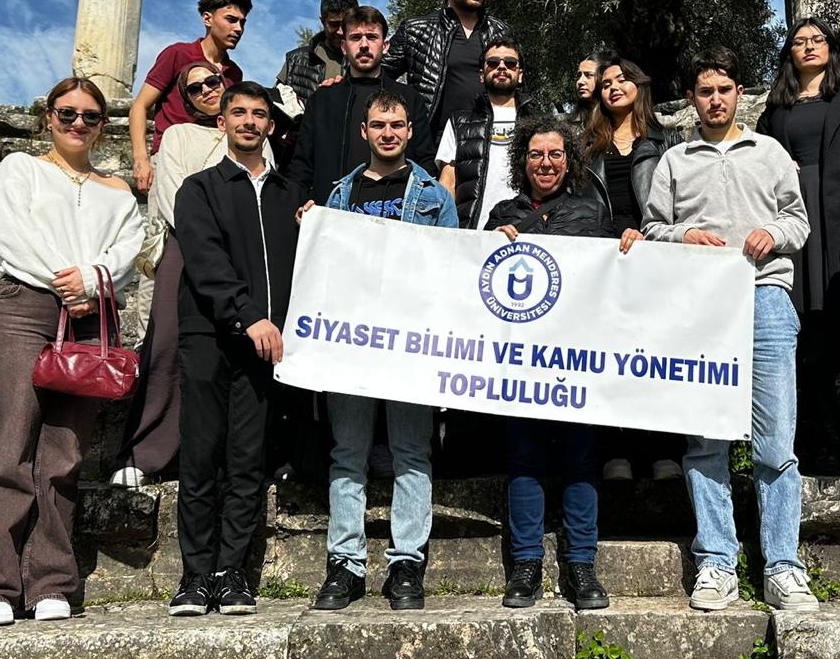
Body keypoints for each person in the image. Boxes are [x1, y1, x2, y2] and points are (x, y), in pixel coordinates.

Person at [0, 77, 142, 626]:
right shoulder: (22, 168)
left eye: (90, 116)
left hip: (93, 316)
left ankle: (51, 581)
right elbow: (10, 232)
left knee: (64, 453)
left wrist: (92, 281)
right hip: (26, 306)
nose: (77, 124)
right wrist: (67, 282)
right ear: (48, 117)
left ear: (103, 125)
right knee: (9, 441)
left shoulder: (117, 190)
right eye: (67, 113)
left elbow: (128, 247)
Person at [643, 48, 818, 613]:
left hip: (766, 295)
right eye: (704, 91)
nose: (714, 100)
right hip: (700, 306)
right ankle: (716, 561)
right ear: (692, 99)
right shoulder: (674, 161)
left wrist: (773, 231)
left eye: (723, 89)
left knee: (776, 441)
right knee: (705, 440)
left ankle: (783, 567)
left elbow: (800, 221)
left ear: (739, 92)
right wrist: (682, 236)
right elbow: (651, 227)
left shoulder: (770, 152)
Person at [305, 91, 458, 612]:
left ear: (410, 130)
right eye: (378, 124)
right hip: (351, 344)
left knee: (411, 454)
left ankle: (405, 565)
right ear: (364, 132)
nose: (388, 132)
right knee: (347, 455)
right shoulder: (337, 197)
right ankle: (344, 568)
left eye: (397, 124)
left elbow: (449, 274)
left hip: (411, 346)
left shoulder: (435, 197)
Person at [487, 117, 645, 612]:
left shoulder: (589, 209)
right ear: (522, 161)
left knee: (580, 461)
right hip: (518, 362)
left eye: (556, 154)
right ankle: (526, 567)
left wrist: (630, 241)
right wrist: (491, 239)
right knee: (524, 461)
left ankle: (581, 566)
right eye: (536, 154)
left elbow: (617, 267)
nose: (546, 163)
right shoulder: (502, 213)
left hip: (575, 364)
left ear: (569, 161)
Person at [168, 83, 303, 618]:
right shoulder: (197, 188)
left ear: (270, 125)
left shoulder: (292, 195)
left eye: (259, 115)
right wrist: (248, 317)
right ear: (222, 122)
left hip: (265, 348)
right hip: (211, 337)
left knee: (247, 461)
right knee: (201, 456)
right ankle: (195, 575)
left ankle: (232, 574)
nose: (249, 121)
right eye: (239, 113)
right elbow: (205, 262)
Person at [756, 17, 840, 473]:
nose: (809, 47)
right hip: (796, 223)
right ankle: (816, 443)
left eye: (817, 40)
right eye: (799, 41)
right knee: (804, 335)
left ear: (831, 48)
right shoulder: (775, 110)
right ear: (789, 53)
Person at [109, 60, 239, 489]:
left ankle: (217, 454)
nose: (206, 90)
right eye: (195, 87)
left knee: (229, 354)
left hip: (239, 254)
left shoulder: (247, 130)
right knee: (165, 344)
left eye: (213, 81)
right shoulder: (177, 136)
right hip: (186, 249)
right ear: (185, 100)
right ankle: (146, 451)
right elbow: (174, 196)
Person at [583, 55, 680, 483]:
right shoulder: (586, 144)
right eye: (606, 83)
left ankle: (662, 448)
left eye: (623, 79)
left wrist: (649, 235)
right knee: (608, 355)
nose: (614, 87)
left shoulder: (668, 138)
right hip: (605, 260)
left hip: (655, 255)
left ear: (639, 85)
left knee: (656, 356)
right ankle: (615, 448)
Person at [287, 6, 432, 205]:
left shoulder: (409, 98)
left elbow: (425, 162)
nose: (364, 45)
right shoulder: (322, 101)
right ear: (344, 47)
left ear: (385, 45)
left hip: (393, 218)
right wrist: (297, 205)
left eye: (372, 37)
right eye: (355, 38)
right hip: (332, 215)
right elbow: (301, 165)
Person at [383, 0, 512, 147]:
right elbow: (378, 76)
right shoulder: (417, 30)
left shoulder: (501, 32)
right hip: (430, 150)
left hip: (487, 147)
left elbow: (517, 90)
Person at [130, 0, 250, 193]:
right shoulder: (177, 54)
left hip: (215, 160)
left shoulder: (234, 73)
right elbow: (140, 106)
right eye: (231, 19)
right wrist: (141, 159)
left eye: (242, 22)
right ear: (207, 19)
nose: (238, 28)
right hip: (172, 157)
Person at [437, 38, 524, 228]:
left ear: (520, 74)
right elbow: (447, 183)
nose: (502, 67)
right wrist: (447, 231)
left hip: (524, 232)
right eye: (493, 63)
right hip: (470, 233)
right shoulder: (458, 122)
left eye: (510, 63)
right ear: (481, 75)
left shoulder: (536, 122)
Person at [276, 0, 358, 111]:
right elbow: (276, 105)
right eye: (334, 24)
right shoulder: (296, 60)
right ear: (322, 22)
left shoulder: (365, 59)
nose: (340, 31)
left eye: (346, 24)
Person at [573, 54, 604, 127]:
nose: (580, 81)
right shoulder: (575, 122)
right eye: (579, 75)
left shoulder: (618, 118)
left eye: (589, 75)